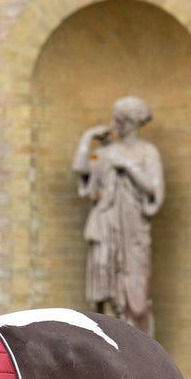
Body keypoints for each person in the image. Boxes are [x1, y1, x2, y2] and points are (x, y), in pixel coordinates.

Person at [72, 96, 164, 335]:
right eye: (116, 118)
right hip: (105, 225)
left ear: (135, 121)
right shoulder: (106, 152)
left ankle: (138, 340)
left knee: (136, 290)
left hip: (133, 229)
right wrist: (87, 139)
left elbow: (154, 189)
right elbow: (81, 168)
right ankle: (107, 336)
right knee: (103, 281)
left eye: (122, 119)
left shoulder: (147, 152)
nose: (117, 123)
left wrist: (129, 167)